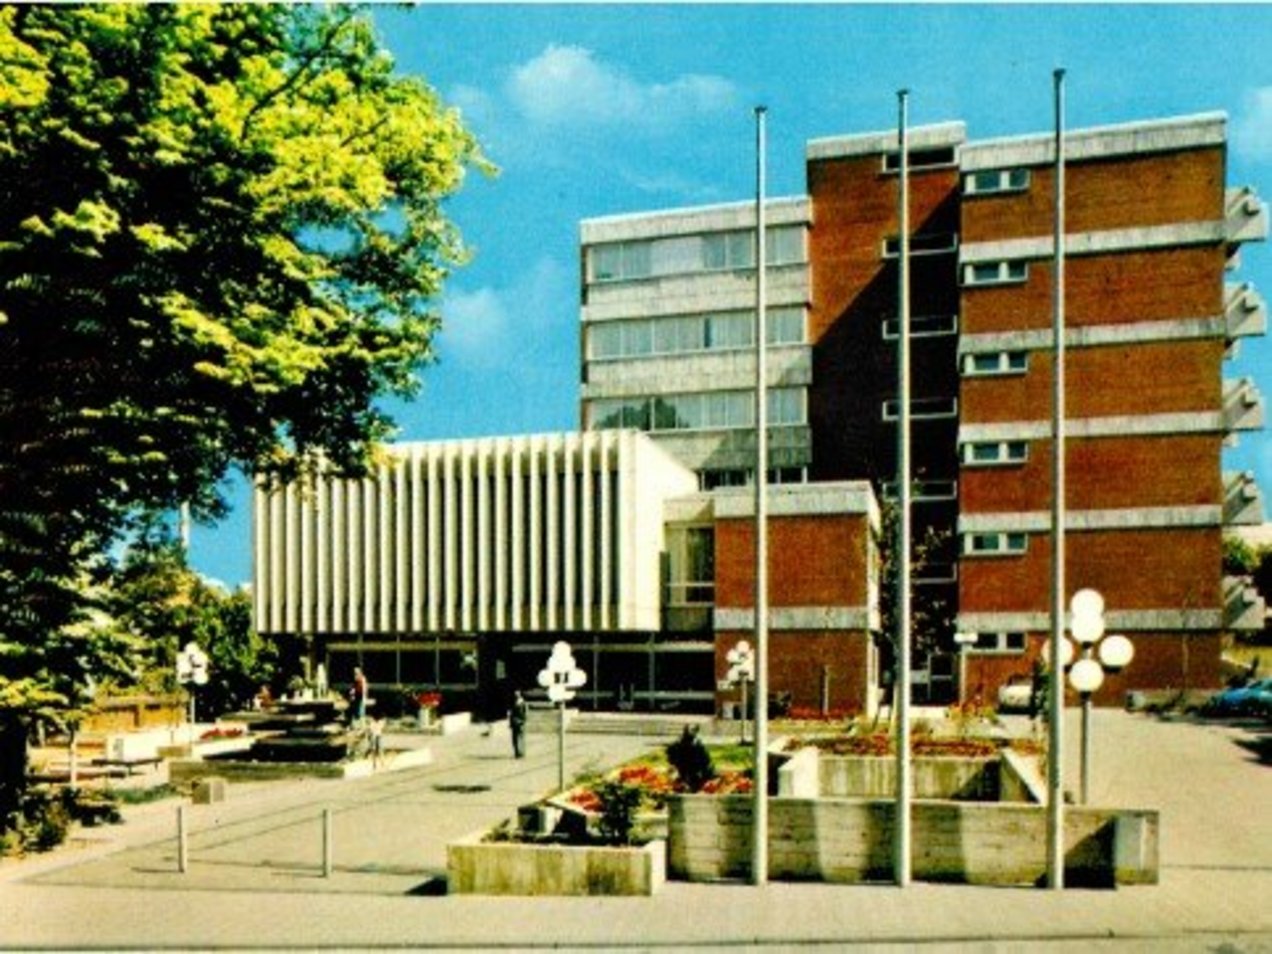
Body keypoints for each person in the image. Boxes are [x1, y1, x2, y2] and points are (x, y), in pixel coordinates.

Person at [508, 690, 527, 758]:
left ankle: (521, 752)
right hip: (514, 723)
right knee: (514, 739)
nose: (516, 693)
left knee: (520, 737)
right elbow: (511, 714)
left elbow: (525, 713)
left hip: (520, 722)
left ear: (520, 693)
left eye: (517, 692)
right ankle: (517, 752)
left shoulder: (522, 702)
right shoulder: (513, 702)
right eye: (515, 692)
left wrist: (522, 721)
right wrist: (510, 723)